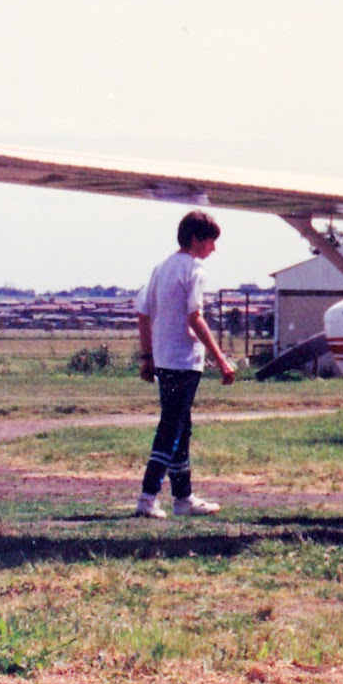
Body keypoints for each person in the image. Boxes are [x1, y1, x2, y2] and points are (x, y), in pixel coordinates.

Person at [133, 210, 235, 518]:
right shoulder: (195, 269)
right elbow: (195, 316)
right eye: (210, 242)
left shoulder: (161, 267)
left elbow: (143, 313)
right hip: (184, 360)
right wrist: (220, 359)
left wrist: (148, 355)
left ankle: (182, 496)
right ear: (196, 239)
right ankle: (148, 497)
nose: (213, 249)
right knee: (172, 427)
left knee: (180, 426)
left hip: (164, 358)